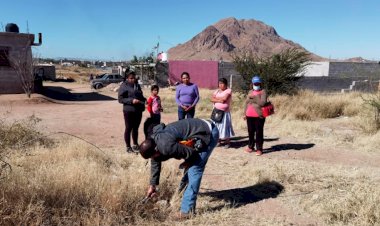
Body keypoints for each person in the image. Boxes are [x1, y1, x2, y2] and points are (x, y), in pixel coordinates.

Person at [139, 118, 219, 220]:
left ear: (155, 150)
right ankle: (182, 195)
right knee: (190, 167)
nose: (153, 158)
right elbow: (155, 161)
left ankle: (187, 211)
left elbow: (192, 154)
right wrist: (152, 185)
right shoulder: (154, 139)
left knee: (195, 169)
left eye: (152, 155)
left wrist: (187, 163)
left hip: (207, 133)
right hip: (199, 129)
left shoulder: (166, 145)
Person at [118, 71, 146, 153]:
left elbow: (141, 96)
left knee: (135, 129)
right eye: (131, 78)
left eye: (134, 78)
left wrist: (145, 100)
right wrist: (131, 100)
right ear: (127, 78)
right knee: (128, 128)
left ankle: (135, 144)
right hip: (129, 111)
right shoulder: (124, 86)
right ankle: (128, 146)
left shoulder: (137, 85)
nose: (133, 79)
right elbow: (120, 99)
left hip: (138, 110)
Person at [243, 75, 268, 156]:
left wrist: (255, 97)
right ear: (252, 83)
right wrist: (244, 113)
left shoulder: (263, 92)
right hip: (249, 115)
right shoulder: (250, 91)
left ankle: (259, 148)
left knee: (259, 132)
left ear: (260, 84)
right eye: (255, 83)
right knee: (250, 132)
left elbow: (262, 103)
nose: (256, 85)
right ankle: (250, 147)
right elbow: (246, 103)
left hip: (259, 116)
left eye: (257, 84)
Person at [210, 78, 235, 148]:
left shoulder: (228, 90)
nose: (220, 85)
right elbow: (211, 99)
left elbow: (224, 99)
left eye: (222, 83)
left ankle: (227, 142)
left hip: (224, 113)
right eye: (219, 83)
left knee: (225, 126)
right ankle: (218, 141)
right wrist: (219, 100)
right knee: (216, 126)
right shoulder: (216, 91)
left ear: (225, 84)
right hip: (216, 112)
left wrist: (216, 99)